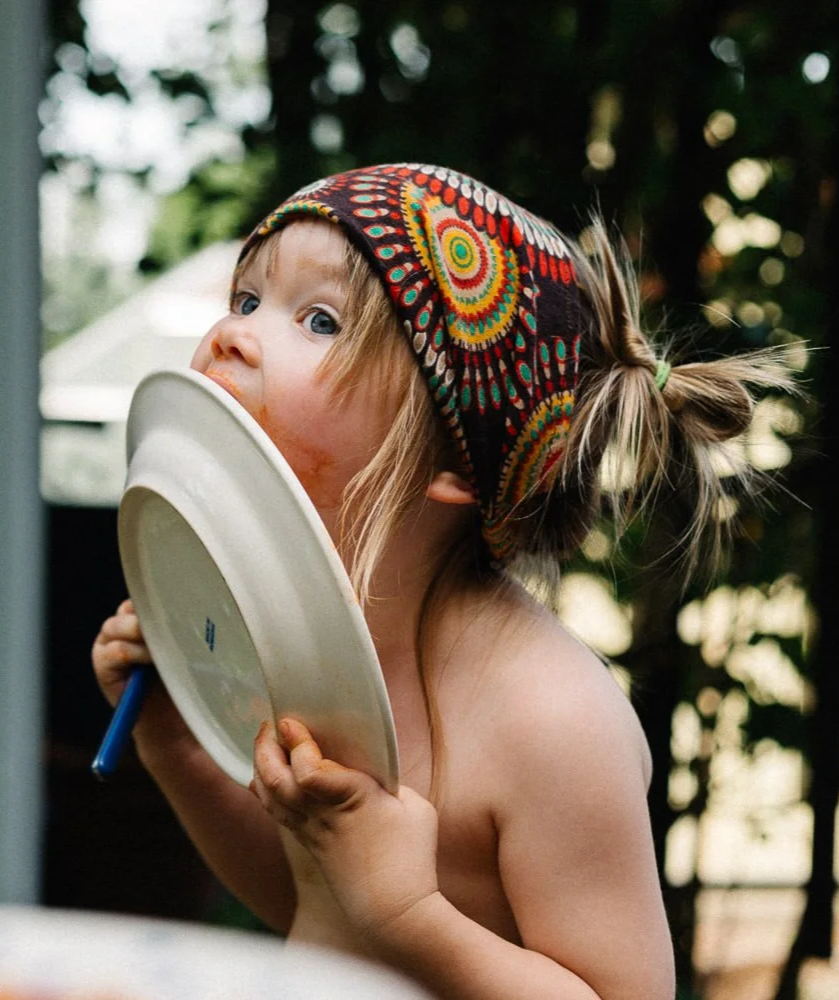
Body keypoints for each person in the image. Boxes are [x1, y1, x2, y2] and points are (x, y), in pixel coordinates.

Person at [93, 163, 788, 999]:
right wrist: (172, 745)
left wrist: (408, 915)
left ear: (456, 458)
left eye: (318, 320)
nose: (233, 334)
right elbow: (305, 905)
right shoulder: (305, 638)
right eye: (245, 300)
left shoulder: (550, 720)